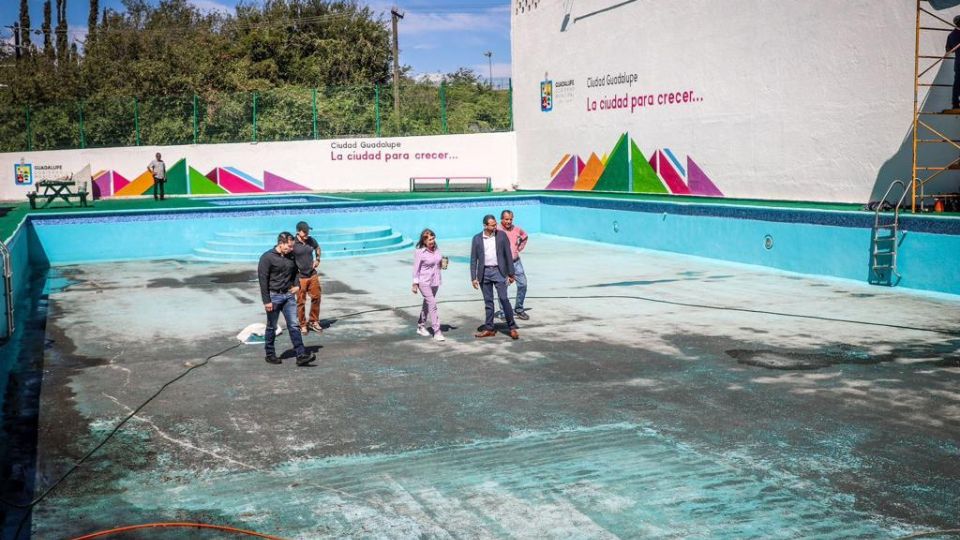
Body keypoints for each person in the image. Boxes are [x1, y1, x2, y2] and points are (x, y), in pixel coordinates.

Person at [257, 232, 316, 366]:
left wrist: (297, 285)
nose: (291, 249)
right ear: (281, 243)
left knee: (294, 325)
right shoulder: (267, 258)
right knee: (271, 326)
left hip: (288, 295)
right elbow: (262, 280)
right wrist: (266, 301)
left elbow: (296, 271)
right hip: (274, 296)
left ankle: (301, 355)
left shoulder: (291, 256)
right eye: (289, 246)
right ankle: (270, 354)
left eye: (292, 246)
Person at [470, 214, 520, 340]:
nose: (495, 227)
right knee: (488, 302)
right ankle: (489, 329)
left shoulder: (501, 235)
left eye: (495, 224)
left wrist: (511, 273)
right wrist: (473, 277)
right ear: (485, 225)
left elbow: (508, 255)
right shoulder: (476, 239)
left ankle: (512, 327)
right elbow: (473, 259)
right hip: (484, 273)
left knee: (504, 299)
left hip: (499, 271)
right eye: (492, 225)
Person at [412, 228, 445, 342]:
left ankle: (421, 326)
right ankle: (437, 331)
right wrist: (415, 283)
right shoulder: (420, 252)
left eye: (433, 238)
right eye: (430, 239)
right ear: (424, 241)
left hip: (435, 281)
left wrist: (443, 264)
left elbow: (438, 264)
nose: (432, 241)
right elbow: (416, 269)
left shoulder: (437, 249)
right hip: (424, 282)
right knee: (432, 304)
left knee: (427, 304)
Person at [498, 209, 530, 320]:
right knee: (503, 288)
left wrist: (518, 248)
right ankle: (503, 311)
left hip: (516, 262)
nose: (509, 221)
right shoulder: (496, 230)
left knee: (523, 284)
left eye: (511, 219)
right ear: (502, 219)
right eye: (506, 219)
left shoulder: (517, 229)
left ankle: (519, 309)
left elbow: (525, 236)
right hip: (503, 264)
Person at [293, 221, 323, 334]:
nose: (306, 233)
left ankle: (314, 321)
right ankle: (302, 324)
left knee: (316, 297)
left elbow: (318, 248)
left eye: (307, 231)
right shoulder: (293, 243)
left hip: (312, 274)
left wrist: (318, 259)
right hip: (300, 277)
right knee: (301, 302)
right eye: (304, 231)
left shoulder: (311, 240)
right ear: (298, 231)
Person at [949, 16, 960, 110]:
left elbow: (948, 50)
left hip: (958, 62)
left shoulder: (952, 35)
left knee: (957, 83)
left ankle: (955, 103)